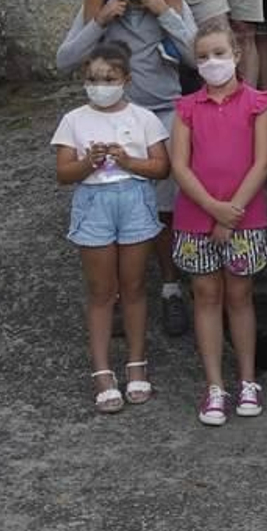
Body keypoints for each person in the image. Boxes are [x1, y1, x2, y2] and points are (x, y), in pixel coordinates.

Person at [56, 0, 197, 338]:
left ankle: (170, 288)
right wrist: (99, 22)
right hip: (113, 116)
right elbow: (64, 60)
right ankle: (115, 296)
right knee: (113, 202)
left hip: (164, 112)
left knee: (164, 206)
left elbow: (197, 56)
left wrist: (165, 14)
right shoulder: (100, 0)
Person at [52, 44, 172, 413]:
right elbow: (63, 173)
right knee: (102, 291)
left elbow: (161, 167)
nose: (100, 86)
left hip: (134, 199)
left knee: (134, 287)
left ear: (126, 80)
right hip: (94, 203)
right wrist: (88, 162)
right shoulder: (74, 120)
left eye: (108, 79)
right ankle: (102, 371)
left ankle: (137, 363)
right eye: (92, 79)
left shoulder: (144, 118)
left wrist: (129, 161)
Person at [169, 22, 267, 427]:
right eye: (203, 56)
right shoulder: (186, 108)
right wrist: (214, 209)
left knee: (240, 296)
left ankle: (248, 380)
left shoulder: (258, 102)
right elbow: (180, 166)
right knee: (205, 295)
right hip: (196, 217)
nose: (212, 62)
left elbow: (263, 162)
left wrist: (232, 211)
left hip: (244, 216)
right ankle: (214, 385)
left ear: (236, 54)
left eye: (219, 53)